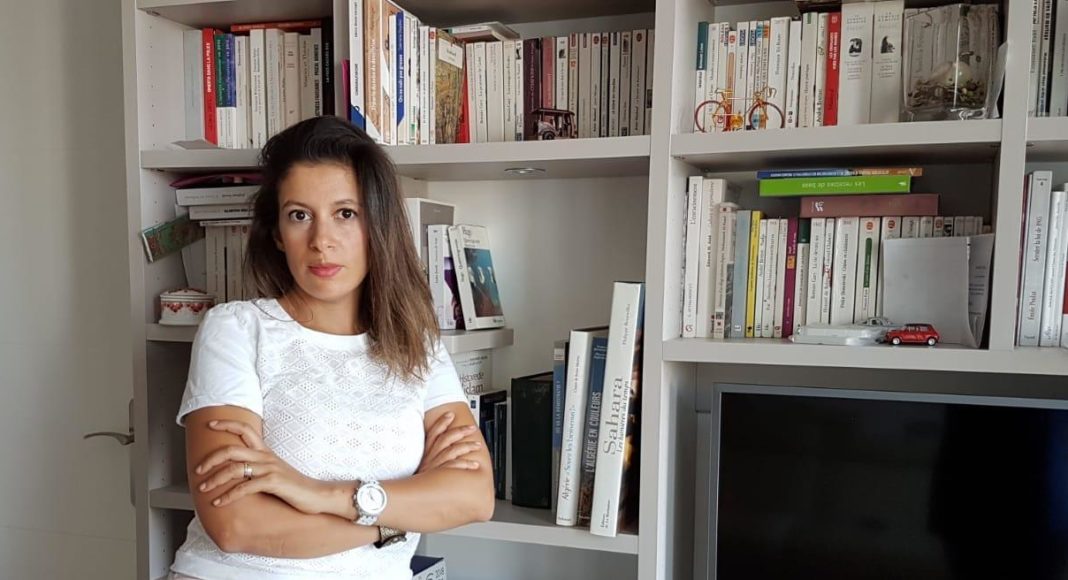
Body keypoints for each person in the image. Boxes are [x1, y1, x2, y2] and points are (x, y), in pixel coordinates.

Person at [168, 116, 495, 579]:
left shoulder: (418, 345)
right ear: (278, 234)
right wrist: (393, 521)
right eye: (299, 216)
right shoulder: (236, 330)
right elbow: (237, 524)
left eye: (345, 213)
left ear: (377, 225)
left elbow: (474, 497)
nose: (322, 241)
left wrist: (319, 494)